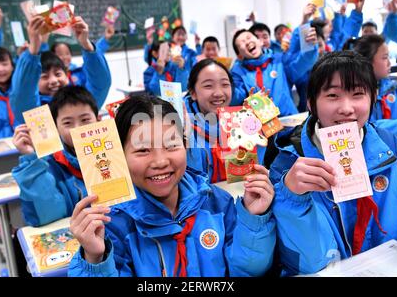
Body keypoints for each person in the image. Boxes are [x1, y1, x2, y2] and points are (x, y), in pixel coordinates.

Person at [68, 94, 276, 277]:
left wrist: (253, 222)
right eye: (142, 150)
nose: (160, 161)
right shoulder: (110, 225)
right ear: (119, 156)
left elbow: (248, 270)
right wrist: (94, 260)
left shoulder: (217, 204)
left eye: (171, 145)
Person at [269, 51, 397, 276]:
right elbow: (306, 264)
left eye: (357, 94)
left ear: (373, 98)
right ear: (311, 103)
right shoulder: (287, 164)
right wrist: (293, 198)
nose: (346, 108)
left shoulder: (389, 147)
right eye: (333, 95)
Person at [11, 86, 98, 227]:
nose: (77, 128)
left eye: (85, 120)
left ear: (98, 119)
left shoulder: (116, 155)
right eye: (68, 123)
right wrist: (32, 159)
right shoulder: (49, 164)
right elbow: (46, 216)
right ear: (55, 127)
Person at [10, 15, 111, 126]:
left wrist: (86, 44)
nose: (53, 80)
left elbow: (100, 84)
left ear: (66, 74)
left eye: (58, 74)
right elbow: (22, 94)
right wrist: (33, 48)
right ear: (35, 83)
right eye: (44, 76)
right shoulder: (33, 112)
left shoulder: (83, 101)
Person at [345, 35, 397, 138]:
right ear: (367, 62)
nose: (389, 63)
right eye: (384, 57)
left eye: (389, 57)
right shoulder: (354, 94)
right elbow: (369, 128)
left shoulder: (390, 87)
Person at [230, 29, 298, 116]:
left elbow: (301, 63)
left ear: (260, 41)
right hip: (261, 126)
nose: (247, 42)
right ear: (239, 56)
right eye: (242, 42)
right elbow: (236, 98)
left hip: (291, 121)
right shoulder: (238, 73)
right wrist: (227, 83)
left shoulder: (279, 60)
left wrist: (308, 44)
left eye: (248, 37)